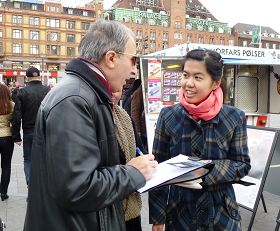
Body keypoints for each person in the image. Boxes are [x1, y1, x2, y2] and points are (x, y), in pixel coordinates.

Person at [24, 19, 157, 231]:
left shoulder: (86, 93)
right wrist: (133, 172)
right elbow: (78, 187)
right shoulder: (75, 98)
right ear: (111, 58)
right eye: (133, 60)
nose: (134, 70)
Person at [149, 49, 251, 231]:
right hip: (180, 212)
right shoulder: (168, 115)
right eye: (185, 75)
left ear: (215, 83)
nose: (188, 83)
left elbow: (242, 164)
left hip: (221, 214)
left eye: (198, 77)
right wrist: (158, 217)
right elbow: (157, 168)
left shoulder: (234, 117)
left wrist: (203, 171)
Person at [11, 67, 50, 186]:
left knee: (28, 159)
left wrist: (16, 136)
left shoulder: (21, 92)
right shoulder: (48, 91)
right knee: (44, 159)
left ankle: (30, 180)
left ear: (27, 78)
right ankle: (41, 187)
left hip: (28, 131)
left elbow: (17, 115)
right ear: (39, 76)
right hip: (45, 131)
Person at [112, 90, 143, 231]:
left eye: (116, 90)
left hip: (131, 209)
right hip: (108, 211)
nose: (112, 94)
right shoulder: (90, 119)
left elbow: (139, 151)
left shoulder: (125, 118)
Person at [0, 83, 15, 201]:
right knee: (6, 166)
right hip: (6, 137)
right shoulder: (11, 105)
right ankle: (3, 193)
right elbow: (14, 121)